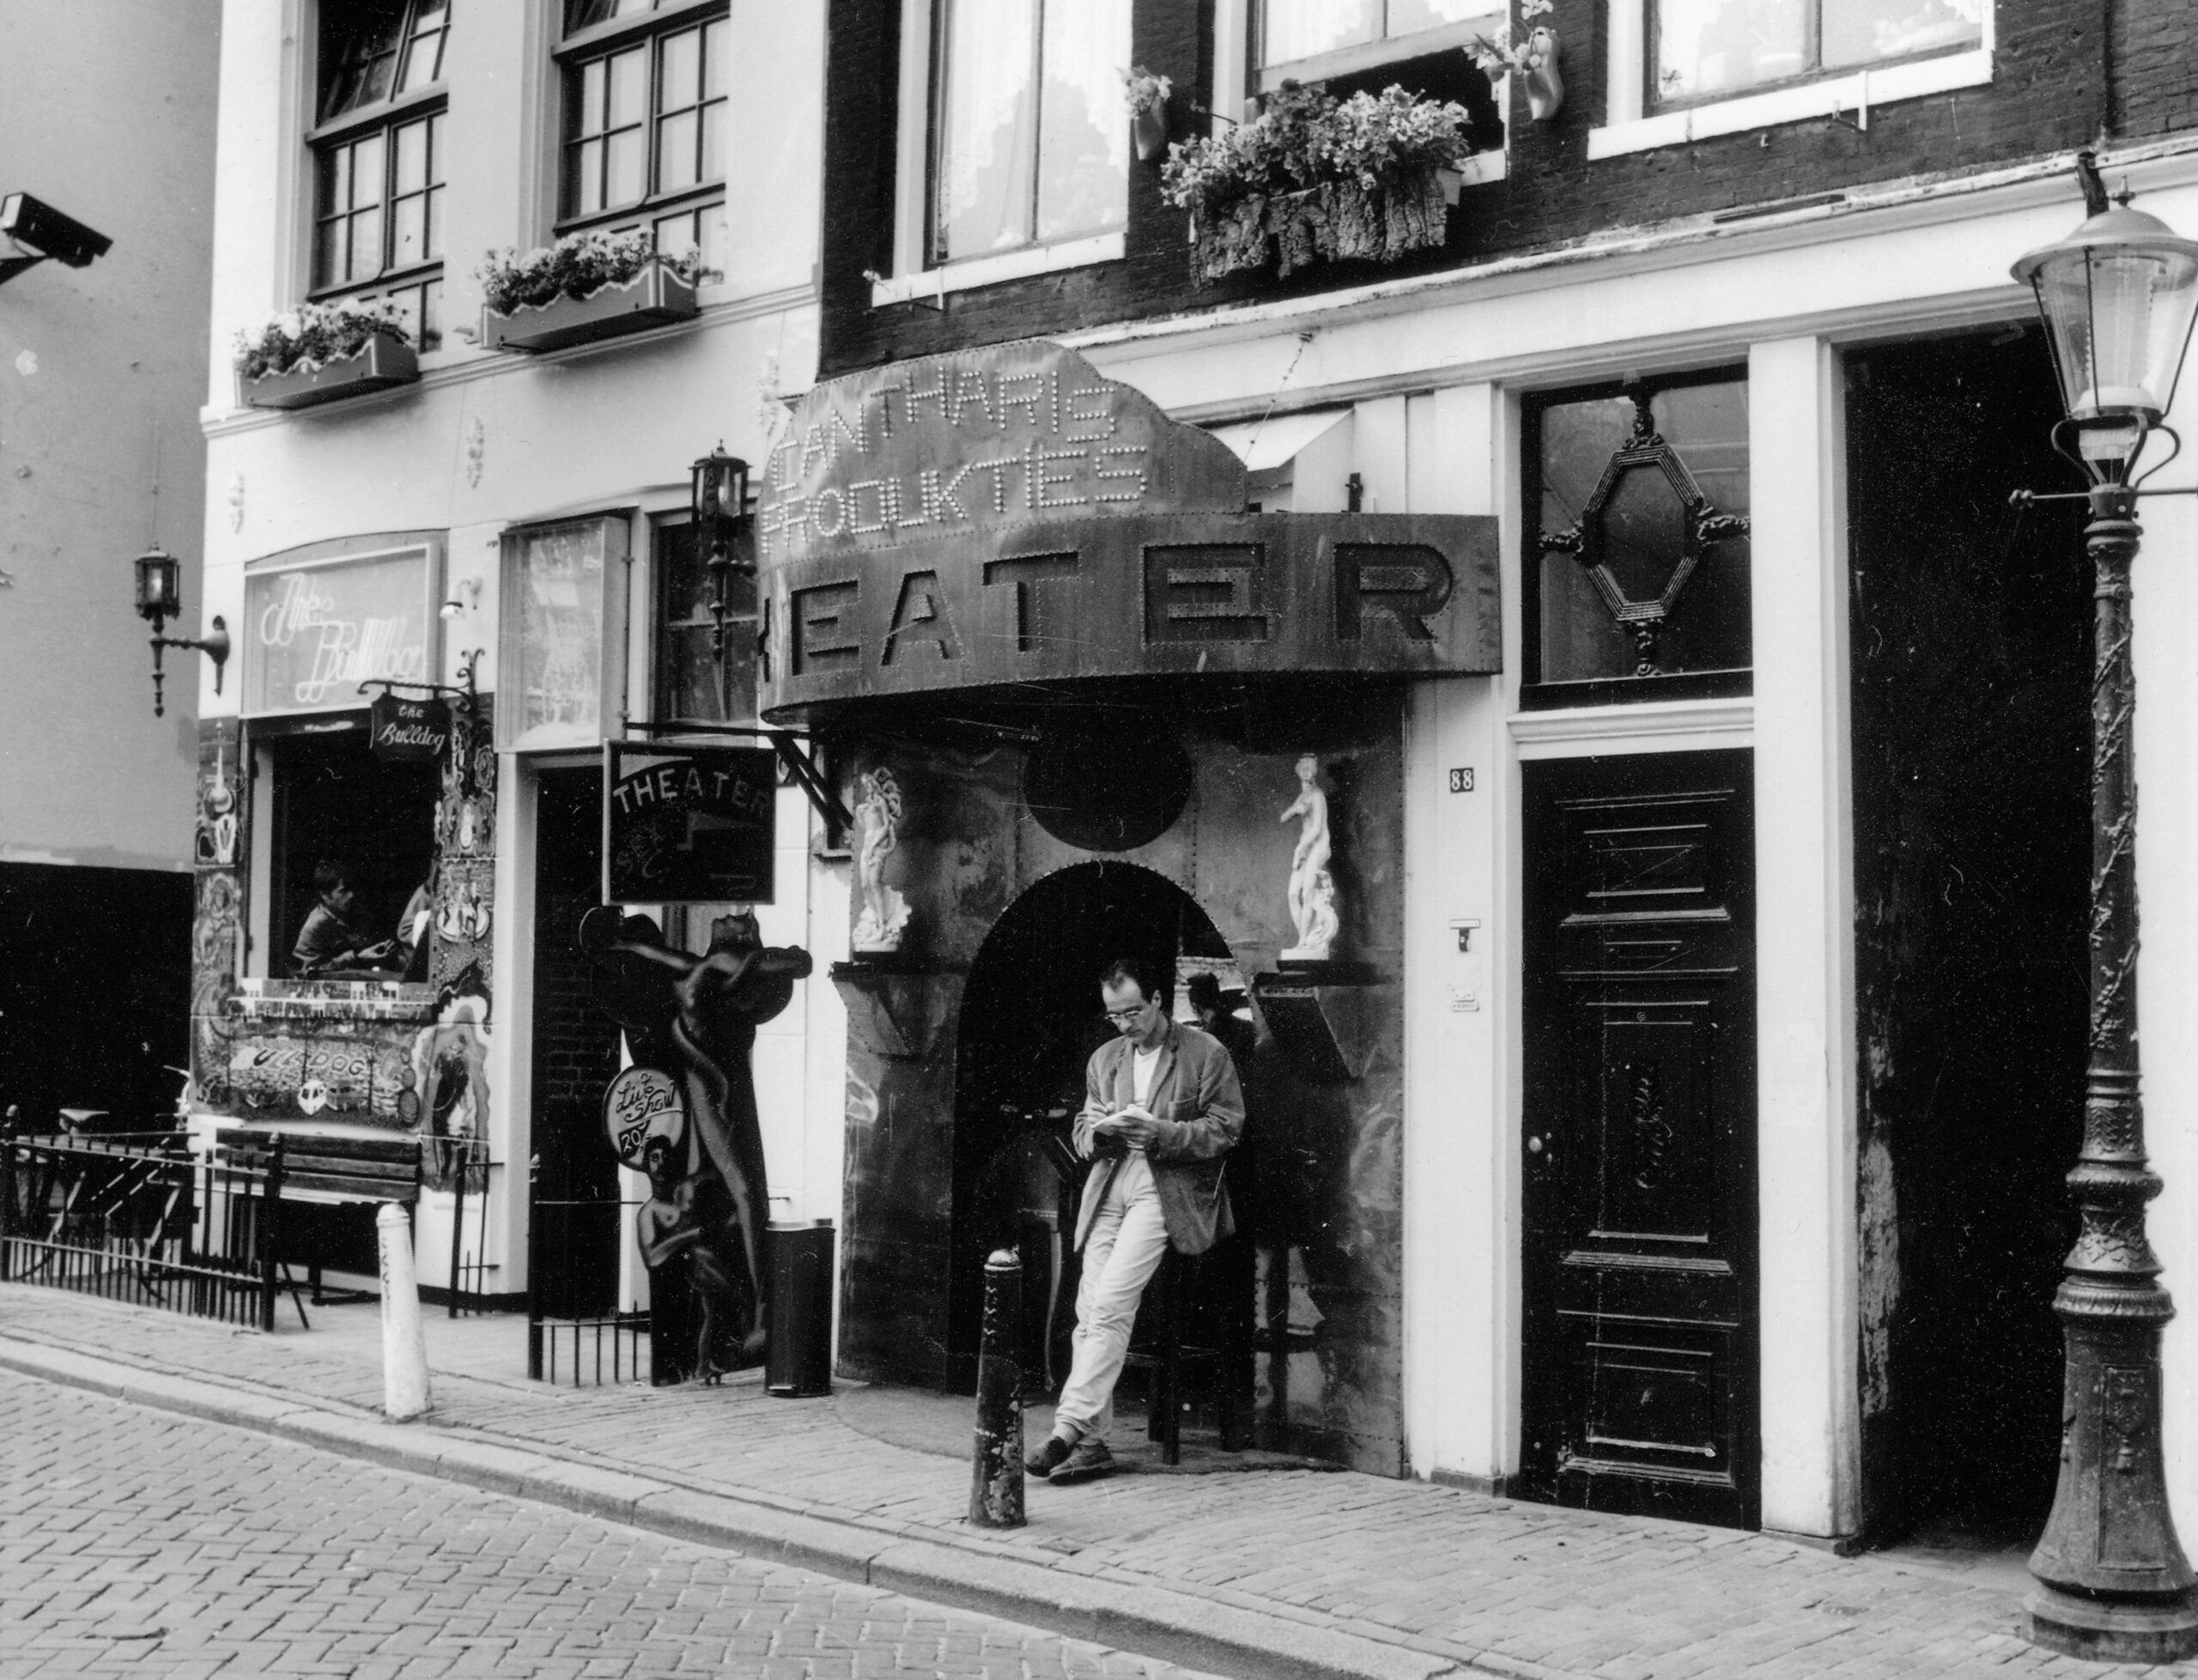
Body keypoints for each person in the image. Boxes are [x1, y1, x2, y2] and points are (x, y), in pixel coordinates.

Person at [1025, 956, 1244, 1486]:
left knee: (1110, 1302)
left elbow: (1227, 1126)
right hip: (1110, 1183)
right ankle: (1094, 1445)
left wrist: (1165, 1135)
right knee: (1088, 1310)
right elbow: (1083, 1124)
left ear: (1158, 1001)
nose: (1125, 1026)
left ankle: (1070, 1427)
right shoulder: (1105, 1058)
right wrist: (1097, 1134)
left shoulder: (1205, 1052)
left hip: (1167, 1189)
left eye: (1133, 1013)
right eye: (1115, 1017)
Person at [290, 860, 398, 976]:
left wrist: (381, 950)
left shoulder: (352, 914)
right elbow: (309, 973)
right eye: (343, 891)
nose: (351, 895)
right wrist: (356, 957)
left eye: (351, 890)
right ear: (324, 895)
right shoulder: (315, 926)